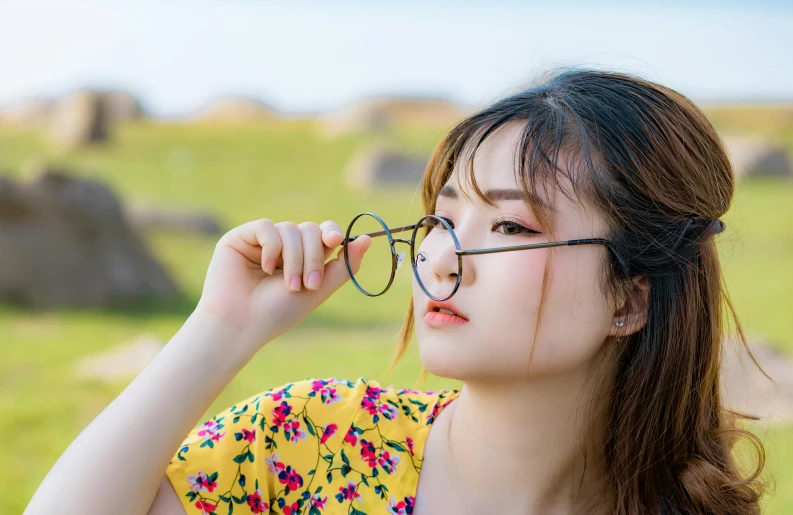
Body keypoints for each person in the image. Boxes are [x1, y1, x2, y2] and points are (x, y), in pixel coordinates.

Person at [24, 68, 767, 515]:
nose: (443, 258)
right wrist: (221, 327)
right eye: (441, 219)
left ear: (629, 299)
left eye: (508, 226)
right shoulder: (315, 441)